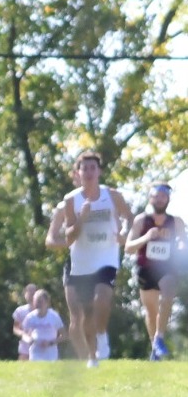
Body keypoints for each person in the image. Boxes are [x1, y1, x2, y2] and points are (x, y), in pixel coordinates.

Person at [45, 149, 133, 367]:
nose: (89, 172)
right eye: (84, 168)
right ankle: (91, 357)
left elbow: (130, 218)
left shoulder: (112, 195)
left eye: (93, 168)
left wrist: (124, 235)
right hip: (80, 263)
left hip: (106, 259)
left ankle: (102, 337)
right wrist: (81, 219)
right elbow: (70, 237)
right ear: (78, 173)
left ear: (99, 171)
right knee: (82, 315)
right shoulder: (70, 201)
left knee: (102, 299)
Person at [127, 182, 182, 360]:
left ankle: (159, 337)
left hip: (167, 268)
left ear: (168, 199)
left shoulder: (176, 222)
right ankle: (154, 346)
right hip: (146, 269)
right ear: (151, 198)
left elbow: (184, 242)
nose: (159, 199)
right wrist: (146, 237)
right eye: (156, 196)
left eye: (163, 196)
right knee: (151, 312)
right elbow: (128, 247)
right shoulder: (141, 220)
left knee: (168, 295)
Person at [21, 290, 65, 362]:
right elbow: (23, 334)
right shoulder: (30, 317)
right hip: (35, 353)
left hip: (51, 354)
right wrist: (28, 339)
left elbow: (64, 335)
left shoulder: (54, 316)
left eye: (40, 301)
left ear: (47, 302)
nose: (38, 304)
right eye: (36, 302)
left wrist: (50, 343)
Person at [11, 286, 40, 361]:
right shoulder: (20, 310)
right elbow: (15, 328)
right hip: (25, 346)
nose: (31, 296)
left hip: (41, 345)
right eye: (29, 293)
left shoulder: (45, 312)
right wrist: (23, 334)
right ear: (25, 294)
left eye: (33, 293)